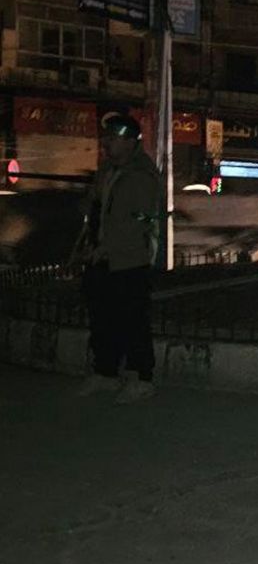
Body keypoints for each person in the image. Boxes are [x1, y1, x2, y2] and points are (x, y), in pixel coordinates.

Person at [72, 113, 163, 404]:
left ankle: (142, 378)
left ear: (130, 141)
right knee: (102, 317)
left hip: (129, 259)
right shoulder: (108, 170)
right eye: (106, 137)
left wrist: (109, 247)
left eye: (113, 138)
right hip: (101, 257)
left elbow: (140, 220)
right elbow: (98, 210)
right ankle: (105, 372)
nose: (106, 143)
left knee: (132, 320)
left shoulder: (142, 175)